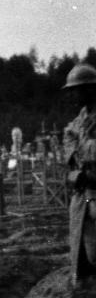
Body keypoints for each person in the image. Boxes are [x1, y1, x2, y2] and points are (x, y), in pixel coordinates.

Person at [61, 62, 96, 286]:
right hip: (84, 195)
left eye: (78, 89)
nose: (73, 94)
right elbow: (70, 154)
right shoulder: (77, 123)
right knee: (83, 247)